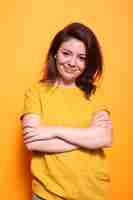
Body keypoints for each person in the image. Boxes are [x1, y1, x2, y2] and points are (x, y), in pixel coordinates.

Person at [21, 22, 113, 200]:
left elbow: (104, 138)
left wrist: (53, 131)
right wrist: (89, 137)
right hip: (48, 194)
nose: (72, 63)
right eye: (66, 53)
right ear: (55, 53)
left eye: (82, 57)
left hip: (93, 193)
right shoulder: (36, 92)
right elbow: (33, 143)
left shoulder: (94, 93)